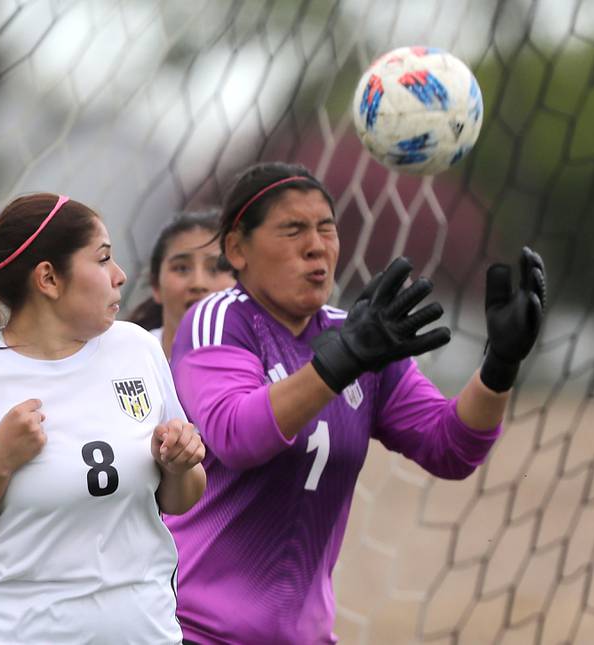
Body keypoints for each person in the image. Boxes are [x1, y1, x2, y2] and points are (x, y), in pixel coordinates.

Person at [164, 161, 546, 644]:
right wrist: (341, 362)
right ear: (238, 249)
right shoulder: (219, 321)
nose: (316, 245)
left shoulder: (360, 334)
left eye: (326, 228)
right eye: (293, 230)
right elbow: (237, 435)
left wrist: (500, 367)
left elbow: (450, 447)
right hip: (195, 632)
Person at [0, 193, 206, 643]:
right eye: (103, 258)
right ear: (49, 278)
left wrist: (180, 463)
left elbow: (182, 499)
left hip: (145, 632)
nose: (120, 275)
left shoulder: (138, 350)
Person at [128, 211, 236, 359]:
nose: (198, 283)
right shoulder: (127, 360)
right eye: (181, 268)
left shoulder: (268, 363)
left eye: (216, 268)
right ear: (156, 285)